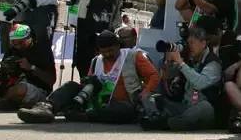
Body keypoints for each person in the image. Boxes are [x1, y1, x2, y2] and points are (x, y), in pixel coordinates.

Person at [18, 29, 159, 124]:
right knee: (71, 85)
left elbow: (154, 76)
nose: (108, 54)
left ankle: (83, 115)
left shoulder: (133, 56)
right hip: (95, 101)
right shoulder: (96, 60)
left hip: (122, 104)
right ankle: (45, 108)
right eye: (104, 52)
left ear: (118, 46)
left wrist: (145, 93)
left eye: (111, 50)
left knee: (120, 111)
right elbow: (87, 85)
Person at [144, 25, 224, 131]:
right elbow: (168, 76)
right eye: (188, 43)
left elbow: (200, 83)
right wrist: (169, 61)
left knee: (204, 108)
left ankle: (166, 123)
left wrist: (180, 62)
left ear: (203, 43)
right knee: (149, 97)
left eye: (193, 43)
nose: (189, 46)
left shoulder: (213, 62)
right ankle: (156, 116)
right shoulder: (187, 58)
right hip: (183, 106)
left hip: (202, 110)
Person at [0, 24, 56, 110]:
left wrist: (31, 67)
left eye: (21, 42)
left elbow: (51, 80)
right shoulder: (12, 49)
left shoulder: (43, 52)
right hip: (11, 85)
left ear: (30, 38)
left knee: (21, 88)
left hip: (35, 88)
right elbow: (1, 77)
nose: (17, 45)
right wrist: (7, 69)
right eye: (14, 42)